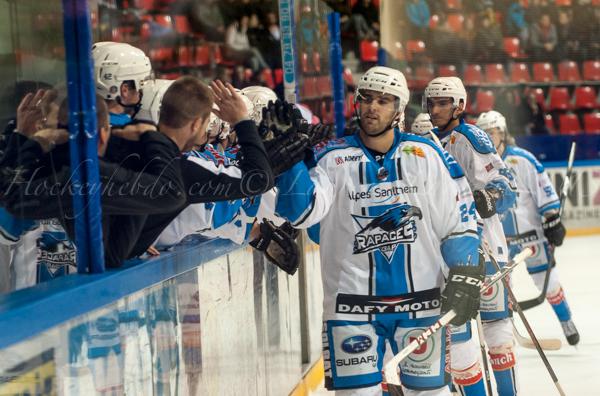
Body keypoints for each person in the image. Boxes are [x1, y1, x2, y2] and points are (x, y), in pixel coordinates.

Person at [274, 66, 482, 395]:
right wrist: (289, 163)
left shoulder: (427, 155)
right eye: (367, 99)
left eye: (384, 101)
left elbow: (458, 221)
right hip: (350, 308)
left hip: (422, 303)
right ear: (356, 103)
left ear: (399, 109)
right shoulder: (330, 157)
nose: (373, 107)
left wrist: (466, 272)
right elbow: (302, 215)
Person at [424, 76, 518, 396]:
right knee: (458, 335)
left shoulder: (471, 138)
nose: (435, 109)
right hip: (450, 253)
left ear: (459, 106)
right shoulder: (425, 145)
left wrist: (488, 198)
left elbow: (506, 188)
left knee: (496, 329)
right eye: (431, 103)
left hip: (487, 247)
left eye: (442, 103)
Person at [476, 110, 579, 346]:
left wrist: (552, 220)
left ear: (502, 133)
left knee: (550, 285)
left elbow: (545, 194)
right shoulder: (478, 166)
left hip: (531, 236)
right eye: (483, 134)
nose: (487, 138)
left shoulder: (522, 160)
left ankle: (566, 321)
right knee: (501, 291)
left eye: (491, 132)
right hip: (499, 240)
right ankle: (504, 332)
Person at [92, 41, 152, 127]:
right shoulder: (131, 132)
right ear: (125, 90)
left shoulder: (79, 119)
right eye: (141, 83)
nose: (142, 90)